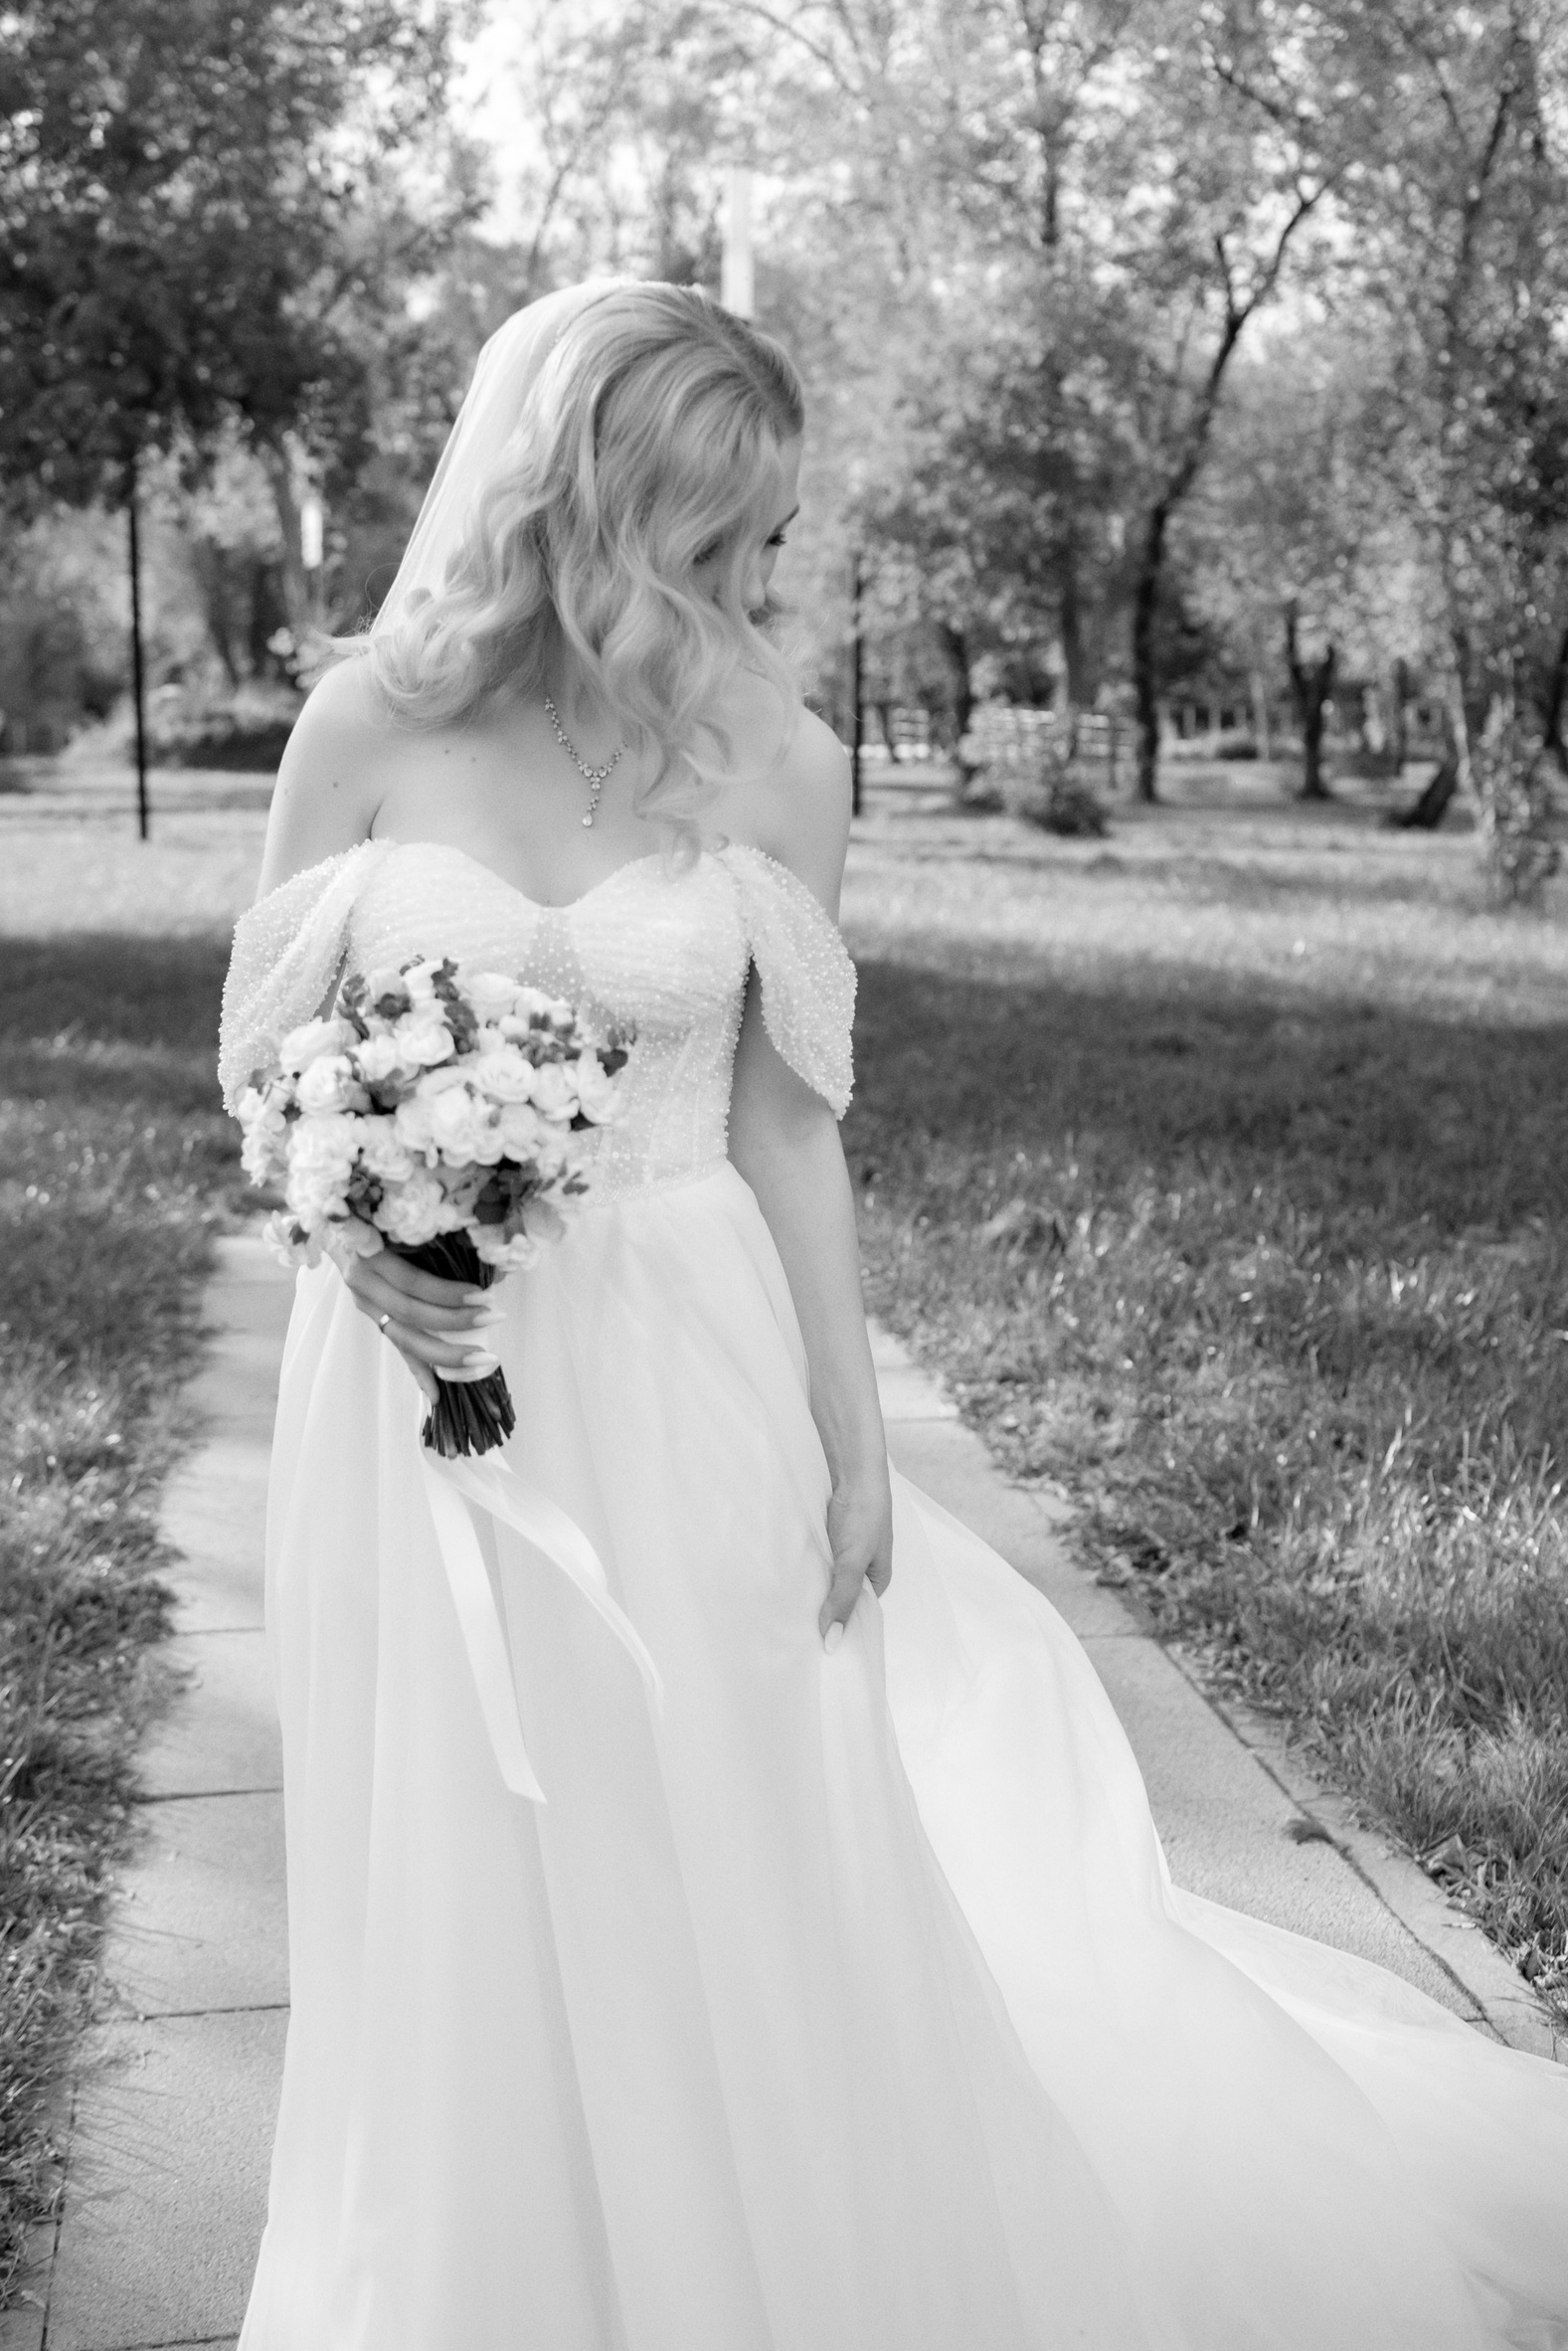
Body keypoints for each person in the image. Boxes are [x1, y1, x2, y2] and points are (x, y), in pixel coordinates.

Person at [220, 279, 1568, 2351]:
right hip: (414, 1379)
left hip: (687, 1358)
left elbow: (786, 1124)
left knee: (728, 1821)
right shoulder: (366, 724)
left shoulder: (783, 762)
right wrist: (352, 1240)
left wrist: (858, 1443)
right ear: (613, 504)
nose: (766, 577)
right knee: (457, 1839)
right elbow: (263, 1064)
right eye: (735, 531)